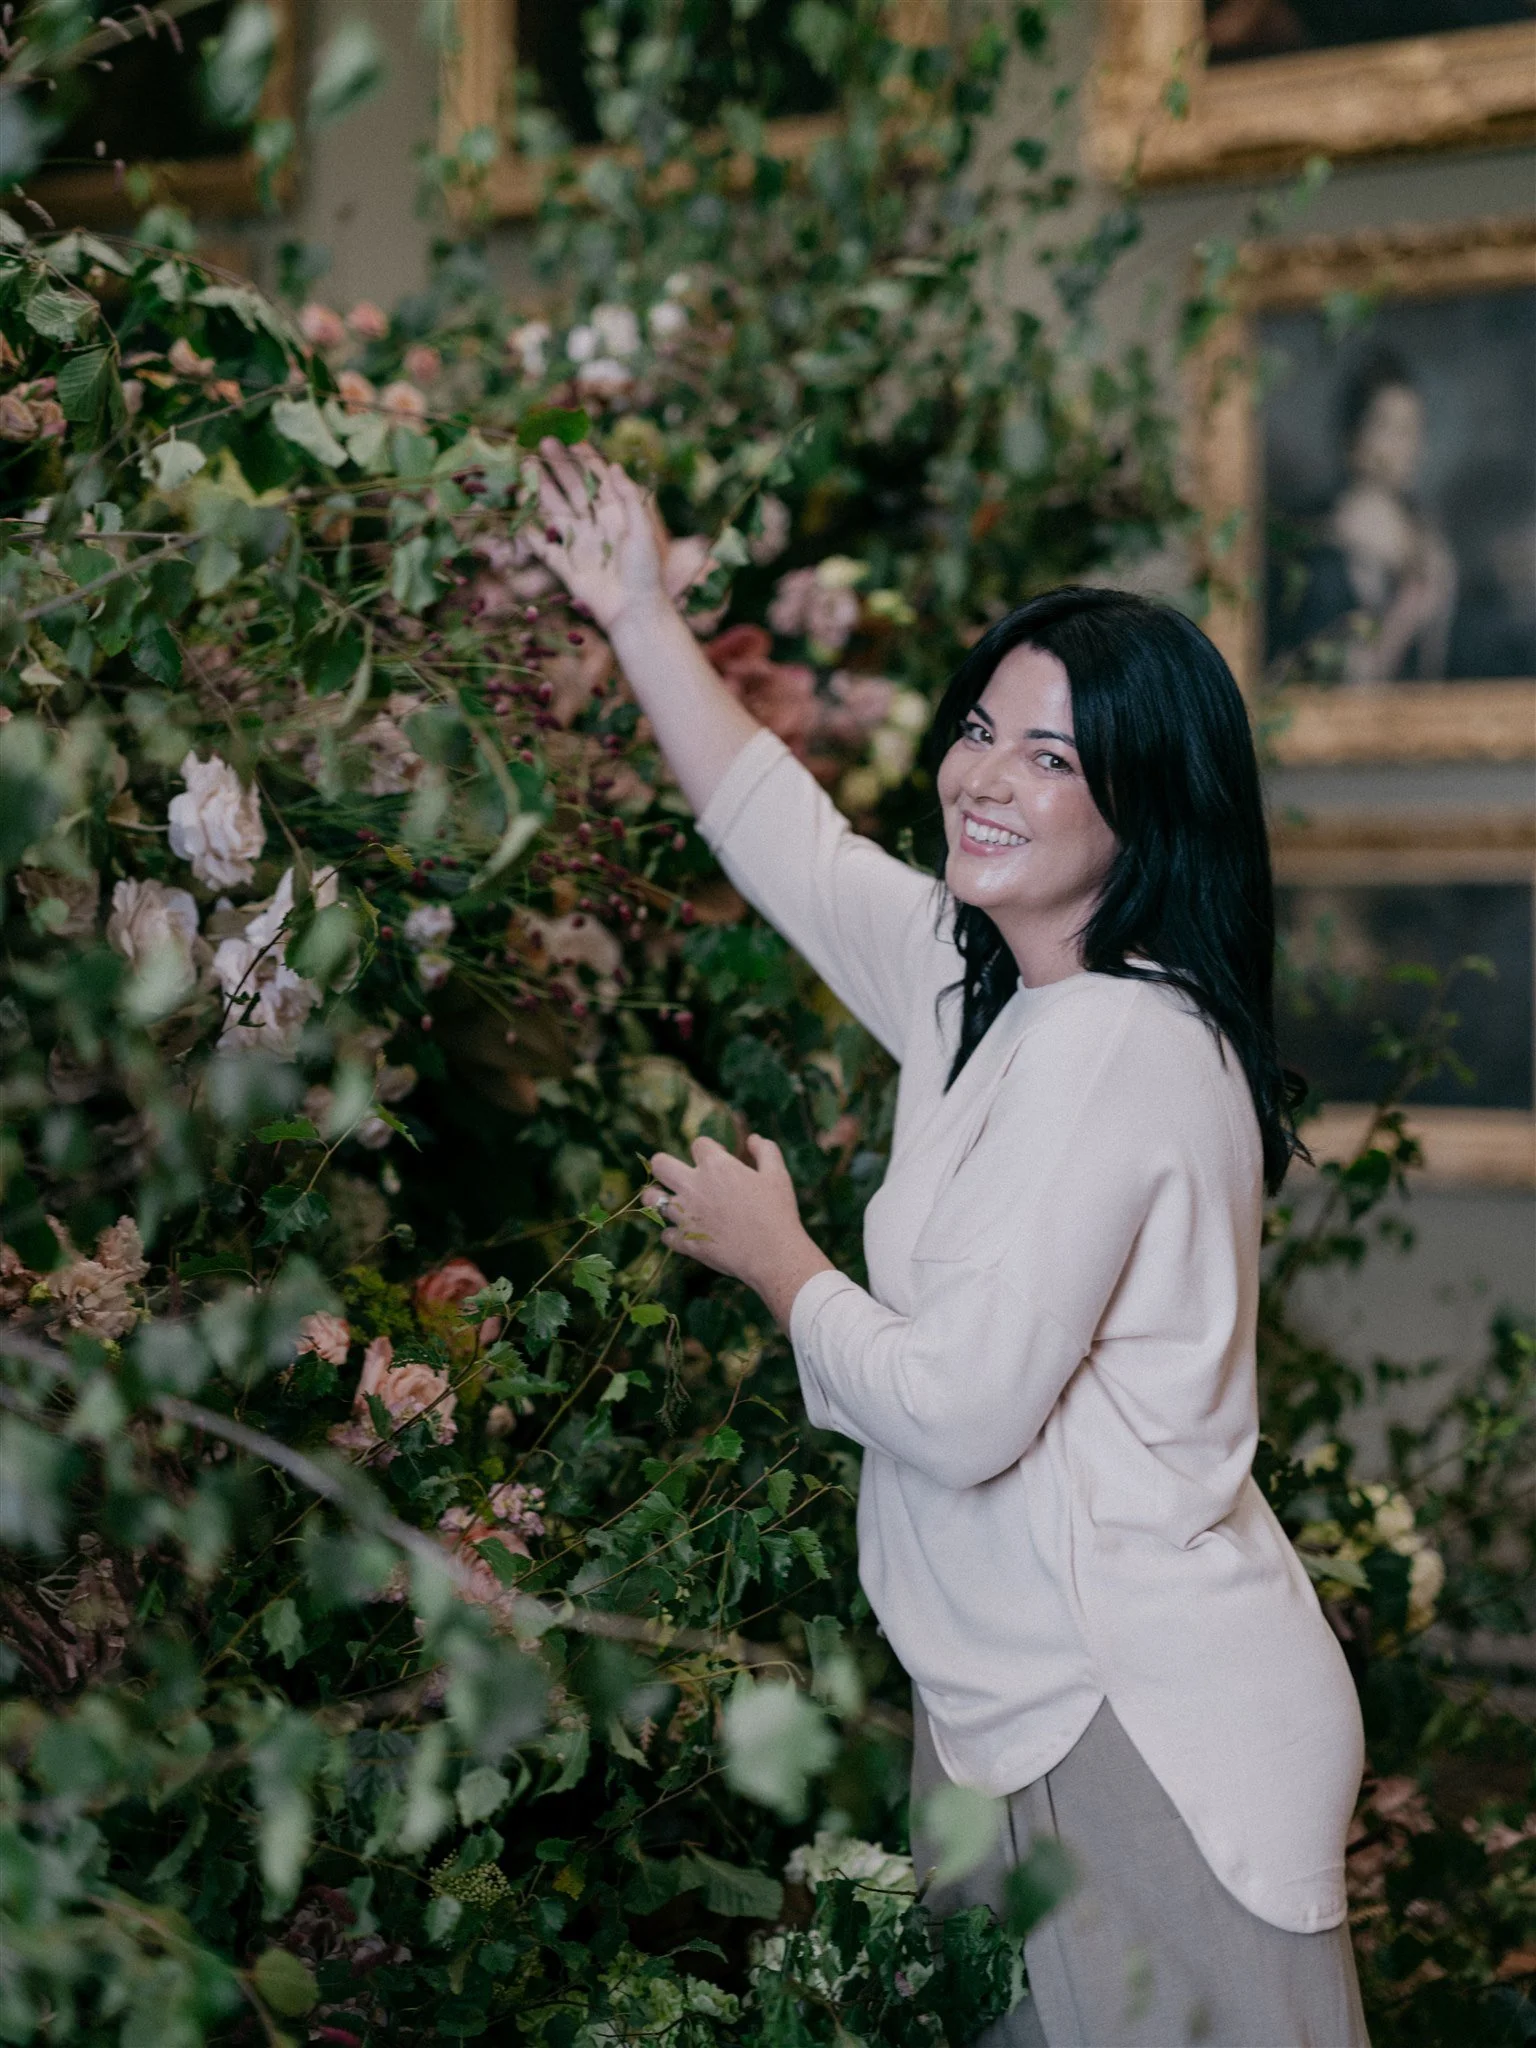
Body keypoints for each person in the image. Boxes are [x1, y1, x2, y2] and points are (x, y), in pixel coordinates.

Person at [527, 440, 1371, 2048]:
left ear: (1144, 805)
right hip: (1007, 1702)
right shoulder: (988, 986)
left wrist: (779, 1259)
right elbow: (792, 843)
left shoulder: (1127, 1042)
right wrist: (638, 612)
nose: (986, 777)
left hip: (1141, 1711)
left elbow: (966, 1411)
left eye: (1050, 757)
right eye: (980, 732)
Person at [1267, 345, 1456, 690]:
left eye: (1412, 429)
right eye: (1388, 428)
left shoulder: (1427, 542)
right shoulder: (1311, 537)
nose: (1405, 446)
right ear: (1353, 437)